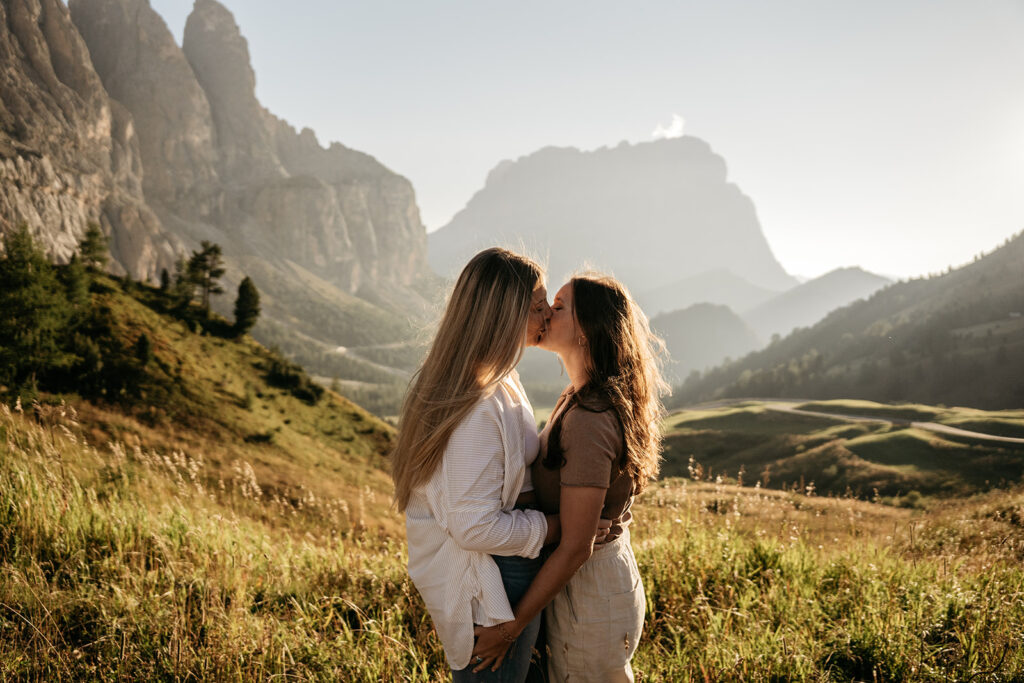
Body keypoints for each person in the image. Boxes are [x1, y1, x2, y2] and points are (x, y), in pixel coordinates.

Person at [391, 248, 609, 682]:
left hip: (513, 567)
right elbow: (472, 527)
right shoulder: (475, 405)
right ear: (501, 314)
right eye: (535, 306)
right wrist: (558, 527)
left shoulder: (500, 376)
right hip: (491, 579)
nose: (547, 314)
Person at [471, 273, 668, 682]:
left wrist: (509, 629)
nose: (544, 312)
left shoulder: (590, 419)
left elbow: (577, 546)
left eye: (558, 307)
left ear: (586, 330)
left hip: (590, 590)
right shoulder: (577, 396)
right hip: (583, 582)